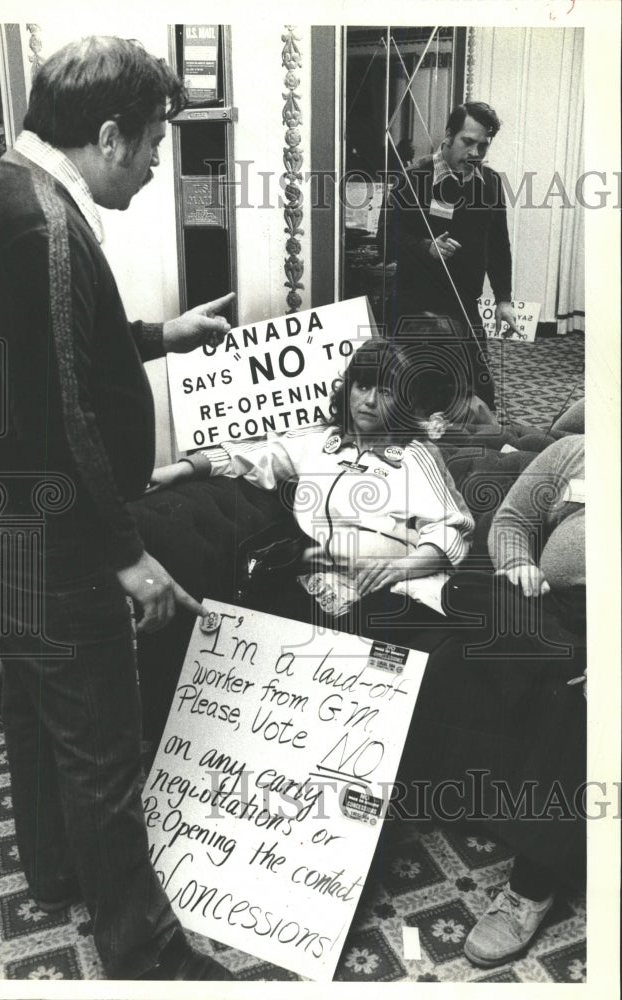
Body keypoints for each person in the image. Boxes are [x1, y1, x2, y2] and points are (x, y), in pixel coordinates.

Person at [0, 36, 237, 981]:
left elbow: (34, 363)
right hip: (66, 536)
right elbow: (61, 412)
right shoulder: (43, 224)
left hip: (10, 521)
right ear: (110, 134)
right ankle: (147, 956)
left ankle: (52, 869)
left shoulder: (0, 200)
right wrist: (126, 554)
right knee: (106, 749)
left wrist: (162, 335)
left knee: (38, 711)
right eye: (154, 145)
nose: (157, 169)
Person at [150, 337, 474, 640]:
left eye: (386, 391)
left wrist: (397, 568)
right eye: (362, 386)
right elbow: (253, 455)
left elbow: (451, 530)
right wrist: (182, 469)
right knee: (254, 631)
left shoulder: (416, 454)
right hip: (319, 579)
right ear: (348, 389)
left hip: (396, 588)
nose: (370, 400)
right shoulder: (322, 441)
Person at [458, 434, 586, 967]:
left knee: (577, 704)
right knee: (465, 592)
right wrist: (515, 564)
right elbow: (512, 521)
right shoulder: (575, 451)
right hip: (548, 606)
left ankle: (530, 889)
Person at [377, 101, 520, 409]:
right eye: (468, 142)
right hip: (415, 308)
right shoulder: (413, 179)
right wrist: (426, 247)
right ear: (448, 136)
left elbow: (498, 246)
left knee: (480, 396)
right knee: (410, 396)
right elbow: (384, 241)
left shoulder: (491, 183)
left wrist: (504, 299)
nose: (476, 154)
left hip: (464, 307)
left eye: (484, 145)